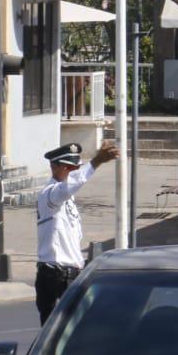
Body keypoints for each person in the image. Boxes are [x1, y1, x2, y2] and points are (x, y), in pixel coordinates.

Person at [35, 140, 119, 326]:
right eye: (70, 169)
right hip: (54, 279)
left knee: (82, 330)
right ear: (55, 167)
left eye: (76, 168)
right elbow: (71, 185)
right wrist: (96, 162)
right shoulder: (50, 195)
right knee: (55, 335)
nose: (74, 173)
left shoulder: (67, 200)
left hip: (73, 276)